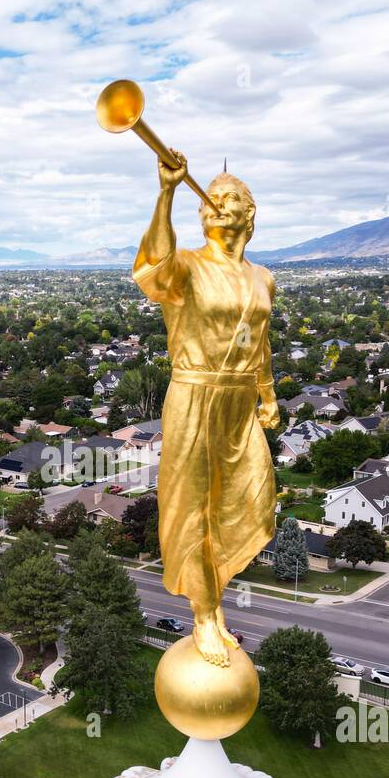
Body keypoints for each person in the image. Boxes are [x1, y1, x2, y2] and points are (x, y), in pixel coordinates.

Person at [132, 151, 278, 666]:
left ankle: (216, 600)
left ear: (249, 215)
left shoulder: (264, 278)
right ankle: (205, 614)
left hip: (240, 400)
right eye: (210, 197)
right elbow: (153, 270)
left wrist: (267, 394)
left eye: (231, 196)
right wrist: (167, 192)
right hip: (194, 393)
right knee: (192, 505)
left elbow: (259, 340)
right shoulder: (190, 265)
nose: (217, 201)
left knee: (246, 500)